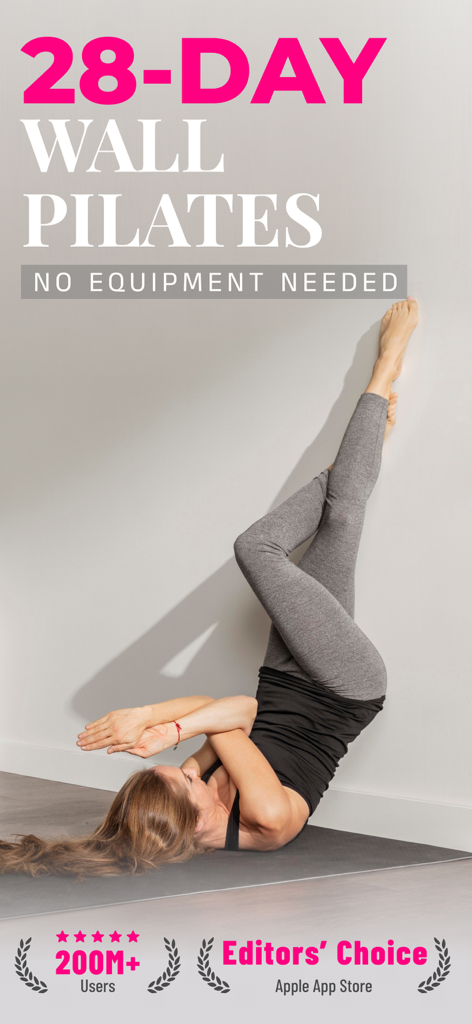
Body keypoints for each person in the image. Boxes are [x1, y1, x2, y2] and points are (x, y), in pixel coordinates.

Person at [0, 298, 418, 877]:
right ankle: (379, 383)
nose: (186, 770)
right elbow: (240, 712)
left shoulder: (192, 794)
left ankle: (357, 450)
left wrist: (149, 719)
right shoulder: (265, 818)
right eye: (184, 779)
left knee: (343, 515)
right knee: (257, 548)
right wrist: (165, 727)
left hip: (284, 673)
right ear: (194, 816)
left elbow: (218, 715)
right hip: (343, 688)